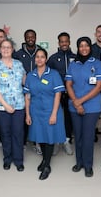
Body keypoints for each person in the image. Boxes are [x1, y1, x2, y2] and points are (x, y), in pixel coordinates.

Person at [65, 37, 101, 177]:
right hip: (74, 106)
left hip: (92, 106)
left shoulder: (97, 63)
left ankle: (88, 165)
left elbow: (99, 86)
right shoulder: (73, 64)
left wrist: (80, 101)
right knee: (78, 135)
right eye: (81, 46)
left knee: (88, 136)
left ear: (90, 47)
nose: (84, 48)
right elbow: (68, 84)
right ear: (78, 48)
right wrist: (76, 102)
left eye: (86, 45)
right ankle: (79, 162)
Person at [24, 48, 66, 180]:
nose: (40, 59)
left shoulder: (53, 74)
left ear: (46, 59)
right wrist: (27, 114)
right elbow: (27, 96)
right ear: (34, 59)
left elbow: (58, 94)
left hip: (51, 110)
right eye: (37, 57)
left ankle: (47, 165)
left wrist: (54, 114)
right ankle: (44, 160)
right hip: (36, 111)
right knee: (40, 137)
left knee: (49, 138)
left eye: (42, 57)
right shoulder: (30, 75)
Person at [0, 39, 26, 172]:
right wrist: (5, 105)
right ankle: (7, 159)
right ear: (0, 49)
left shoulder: (19, 64)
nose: (5, 49)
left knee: (18, 132)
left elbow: (25, 81)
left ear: (12, 49)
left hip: (18, 105)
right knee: (5, 133)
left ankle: (18, 160)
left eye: (8, 47)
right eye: (3, 47)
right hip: (1, 106)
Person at [14, 29, 43, 154]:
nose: (30, 39)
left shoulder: (40, 52)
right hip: (22, 90)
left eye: (32, 37)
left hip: (38, 91)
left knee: (36, 117)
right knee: (24, 117)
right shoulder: (18, 54)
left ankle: (37, 142)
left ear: (35, 37)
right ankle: (24, 142)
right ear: (25, 38)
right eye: (28, 37)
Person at [47, 32, 76, 156]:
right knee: (57, 117)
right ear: (59, 43)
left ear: (69, 42)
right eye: (61, 41)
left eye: (66, 41)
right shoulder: (53, 58)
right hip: (57, 94)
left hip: (72, 93)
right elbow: (47, 75)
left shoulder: (76, 57)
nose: (64, 43)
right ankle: (56, 141)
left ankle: (67, 140)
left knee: (69, 118)